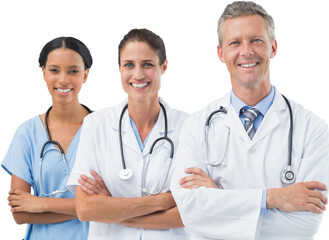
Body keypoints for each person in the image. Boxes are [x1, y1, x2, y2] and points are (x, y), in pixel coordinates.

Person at [170, 1, 329, 239]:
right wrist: (274, 198)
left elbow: (304, 225)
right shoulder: (196, 127)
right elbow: (190, 213)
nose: (247, 51)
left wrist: (218, 199)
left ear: (273, 48)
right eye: (235, 42)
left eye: (256, 40)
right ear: (221, 53)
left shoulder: (312, 128)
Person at [67, 28, 189, 240]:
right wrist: (161, 201)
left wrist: (110, 209)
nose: (138, 74)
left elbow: (188, 214)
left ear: (164, 66)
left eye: (148, 64)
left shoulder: (189, 127)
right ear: (120, 68)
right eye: (129, 65)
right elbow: (85, 209)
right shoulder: (96, 125)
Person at [2, 36, 92, 240]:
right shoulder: (27, 133)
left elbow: (116, 202)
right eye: (54, 70)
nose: (63, 79)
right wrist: (88, 207)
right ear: (43, 72)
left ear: (85, 74)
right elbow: (20, 212)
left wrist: (41, 204)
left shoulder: (104, 128)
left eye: (73, 71)